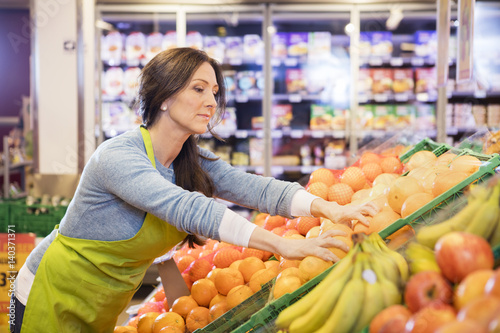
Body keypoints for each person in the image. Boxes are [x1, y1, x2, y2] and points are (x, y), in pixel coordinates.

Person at [11, 47, 378, 333]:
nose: (211, 102)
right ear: (164, 97)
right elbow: (190, 209)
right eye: (198, 89)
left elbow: (253, 188)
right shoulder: (118, 157)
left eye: (214, 92)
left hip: (104, 302)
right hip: (51, 293)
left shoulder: (188, 159)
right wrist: (284, 245)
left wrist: (328, 208)